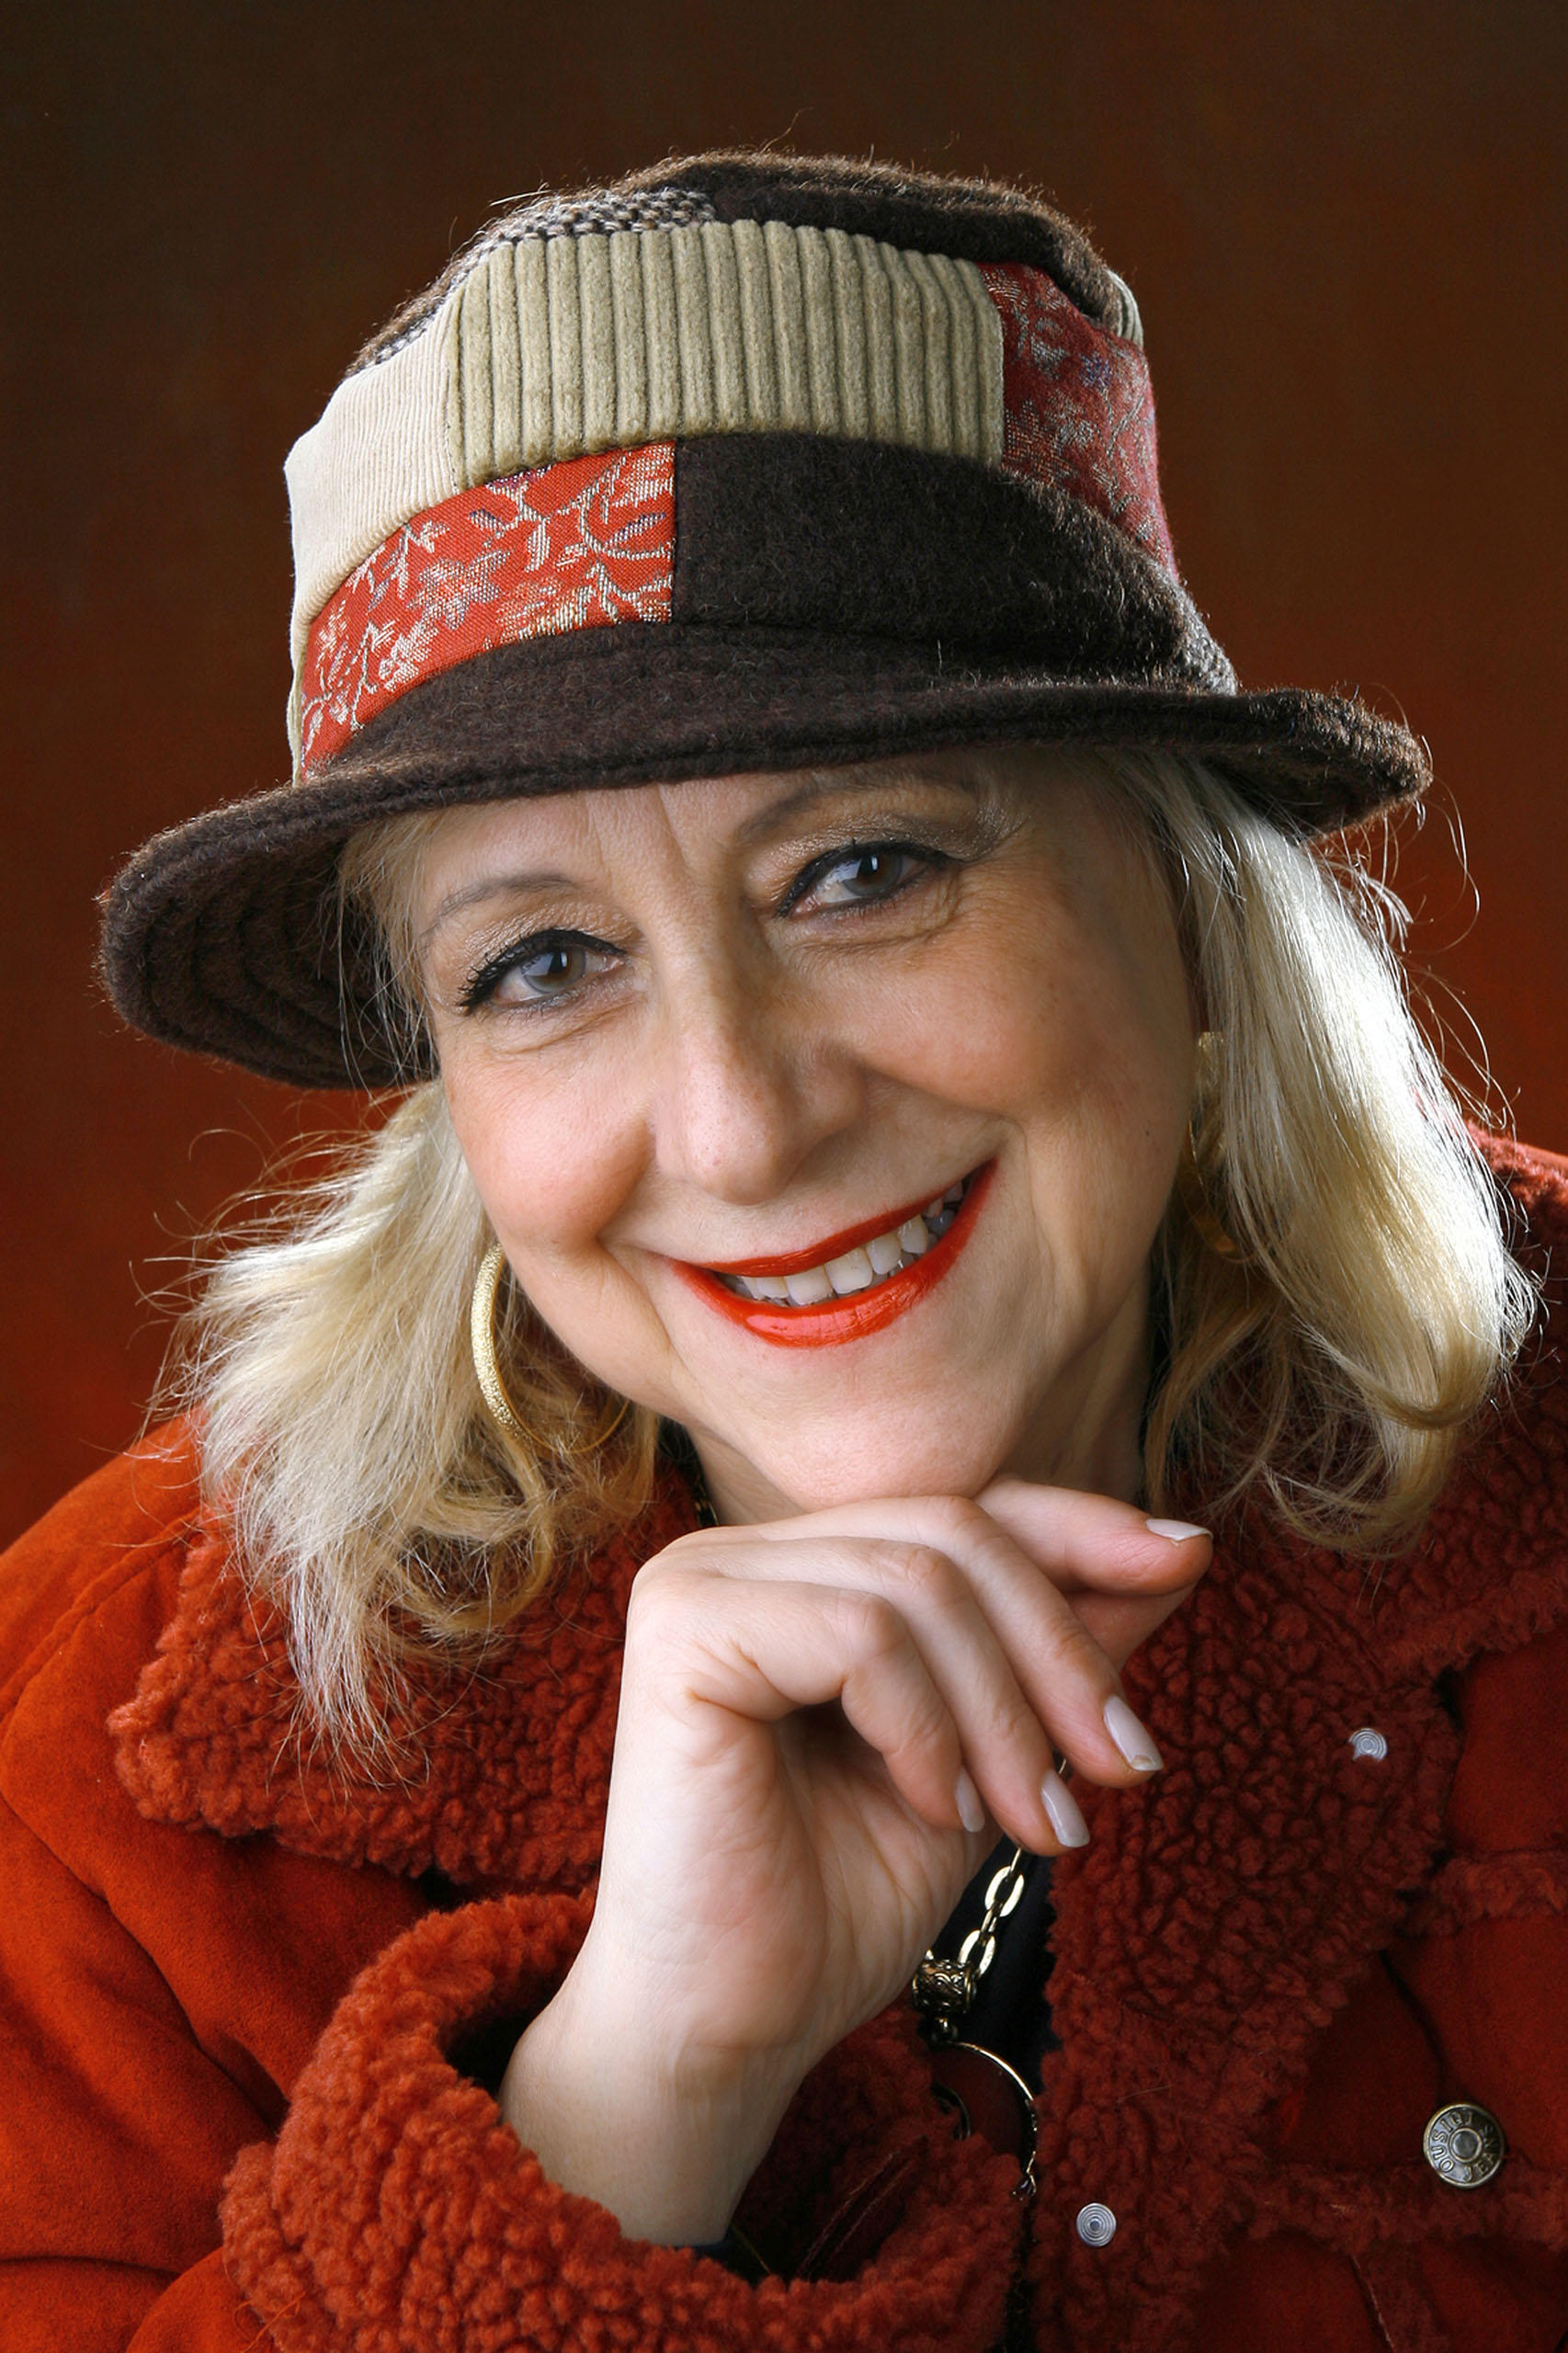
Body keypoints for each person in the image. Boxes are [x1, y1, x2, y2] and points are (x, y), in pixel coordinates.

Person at [3, 149, 1564, 2353]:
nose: (738, 1120)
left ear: (1191, 903)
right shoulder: (101, 1739)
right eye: (543, 961)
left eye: (861, 871)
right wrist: (642, 2083)